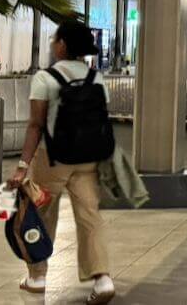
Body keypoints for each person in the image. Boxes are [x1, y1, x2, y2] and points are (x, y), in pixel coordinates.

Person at [7, 21, 115, 303]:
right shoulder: (96, 78)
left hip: (52, 158)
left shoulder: (46, 78)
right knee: (90, 217)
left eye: (55, 39)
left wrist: (22, 165)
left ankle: (37, 276)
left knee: (41, 215)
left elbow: (35, 125)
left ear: (63, 45)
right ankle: (102, 279)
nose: (53, 43)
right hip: (88, 158)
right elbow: (102, 118)